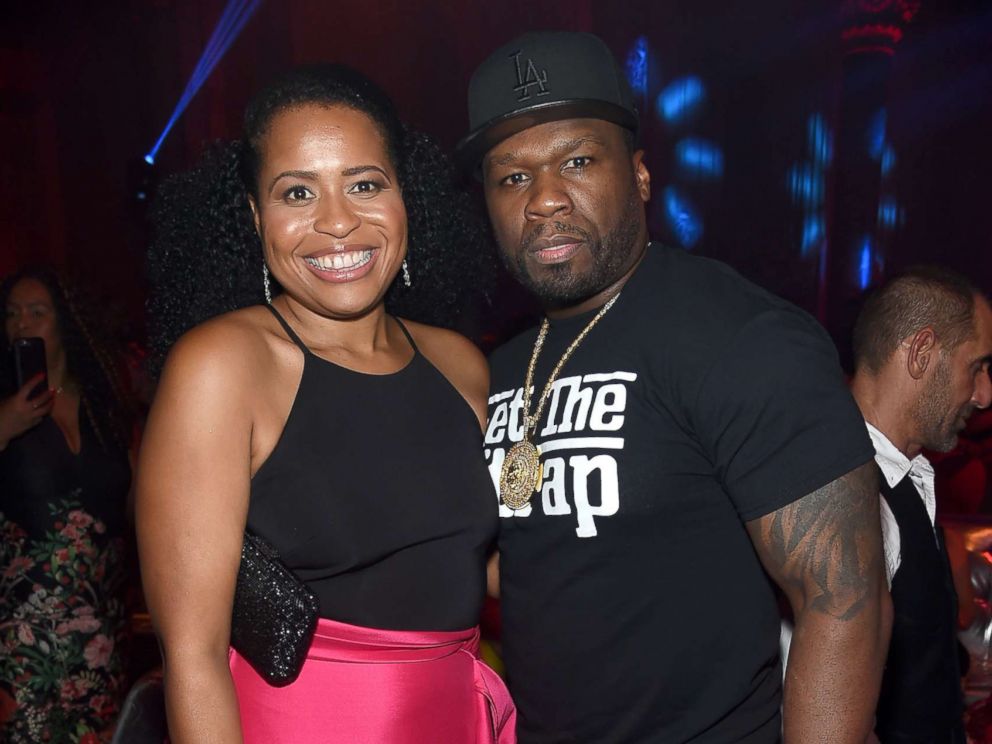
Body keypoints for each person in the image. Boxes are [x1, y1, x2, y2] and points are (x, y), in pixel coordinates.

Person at [459, 31, 891, 742]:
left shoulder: (737, 334)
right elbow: (545, 555)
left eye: (575, 160)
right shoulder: (503, 366)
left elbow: (844, 596)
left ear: (639, 176)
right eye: (511, 177)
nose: (542, 200)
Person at [136, 64, 515, 744]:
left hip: (460, 715)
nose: (337, 222)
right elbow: (193, 656)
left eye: (365, 184)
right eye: (297, 193)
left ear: (407, 197)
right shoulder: (223, 367)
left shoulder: (458, 363)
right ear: (257, 217)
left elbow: (466, 560)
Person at [850, 267, 992, 743]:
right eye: (977, 367)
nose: (985, 394)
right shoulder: (843, 492)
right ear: (921, 353)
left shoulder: (907, 474)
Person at [0, 267, 134, 743]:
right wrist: (5, 424)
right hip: (20, 636)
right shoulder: (3, 402)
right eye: (12, 313)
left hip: (99, 631)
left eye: (37, 312)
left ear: (65, 323)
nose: (21, 324)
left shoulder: (104, 402)